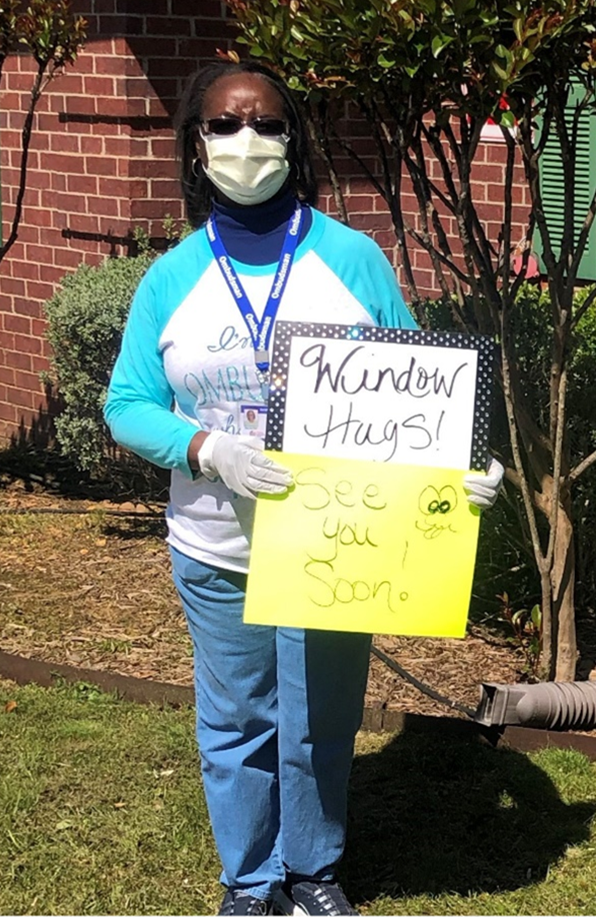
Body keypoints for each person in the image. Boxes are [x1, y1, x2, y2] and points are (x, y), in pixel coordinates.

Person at [104, 62, 503, 917]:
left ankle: (312, 869)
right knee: (237, 725)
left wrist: (455, 482)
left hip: (337, 551)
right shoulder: (172, 278)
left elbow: (414, 394)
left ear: (295, 140)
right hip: (219, 550)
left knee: (320, 720)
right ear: (195, 143)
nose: (247, 142)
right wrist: (208, 448)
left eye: (267, 125)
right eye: (224, 125)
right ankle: (249, 882)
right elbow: (127, 404)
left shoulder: (352, 262)